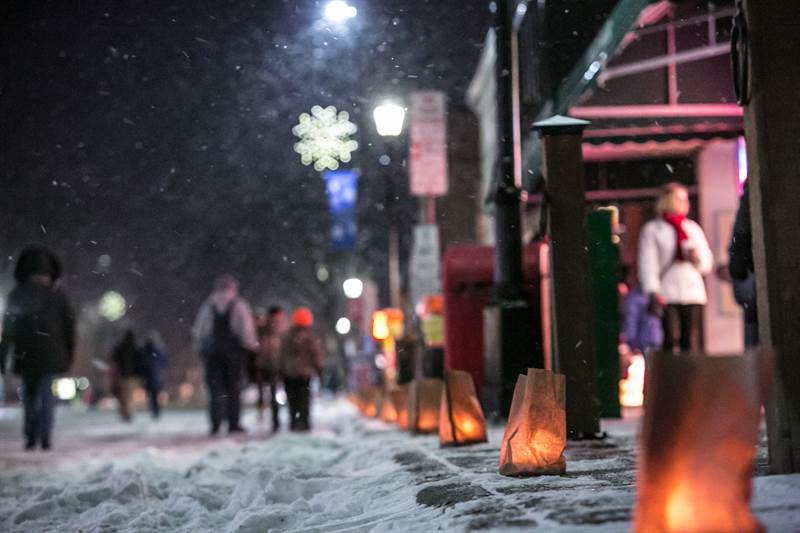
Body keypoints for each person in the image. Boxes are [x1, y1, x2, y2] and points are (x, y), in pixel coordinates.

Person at [0, 246, 75, 451]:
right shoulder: (58, 296)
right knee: (45, 394)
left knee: (30, 395)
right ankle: (45, 435)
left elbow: (8, 330)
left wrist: (3, 356)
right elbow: (69, 327)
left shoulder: (17, 293)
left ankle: (31, 435)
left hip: (25, 354)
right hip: (51, 355)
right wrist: (69, 354)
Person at [638, 182, 713, 353]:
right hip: (667, 291)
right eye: (679, 199)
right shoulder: (653, 230)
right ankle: (671, 376)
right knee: (669, 338)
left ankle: (690, 377)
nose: (685, 204)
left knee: (691, 339)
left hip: (692, 292)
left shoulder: (692, 228)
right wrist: (653, 290)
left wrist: (696, 258)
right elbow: (648, 262)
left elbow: (707, 263)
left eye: (686, 199)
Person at [192, 275, 258, 435]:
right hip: (233, 353)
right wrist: (251, 347)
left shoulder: (208, 305)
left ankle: (215, 423)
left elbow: (199, 330)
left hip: (213, 353)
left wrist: (200, 349)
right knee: (233, 388)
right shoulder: (239, 305)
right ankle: (233, 423)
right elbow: (246, 330)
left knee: (215, 389)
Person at [279, 307, 324, 431]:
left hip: (289, 374)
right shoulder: (310, 337)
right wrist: (319, 369)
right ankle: (304, 422)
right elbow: (316, 354)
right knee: (304, 399)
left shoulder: (286, 336)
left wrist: (281, 369)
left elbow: (281, 355)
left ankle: (294, 421)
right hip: (305, 374)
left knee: (292, 400)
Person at [728, 180, 758, 347]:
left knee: (753, 321)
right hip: (751, 270)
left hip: (749, 269)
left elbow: (741, 230)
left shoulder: (747, 202)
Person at [254, 306, 289, 431]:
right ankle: (278, 419)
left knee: (266, 392)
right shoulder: (285, 325)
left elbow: (256, 341)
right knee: (278, 390)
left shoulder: (264, 326)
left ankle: (270, 418)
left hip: (265, 362)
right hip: (280, 362)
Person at [110, 329, 141, 422]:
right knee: (129, 397)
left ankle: (125, 413)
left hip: (122, 376)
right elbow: (140, 363)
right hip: (132, 376)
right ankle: (128, 413)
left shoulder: (120, 348)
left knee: (123, 397)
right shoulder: (136, 349)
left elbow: (114, 360)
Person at [140, 330, 168, 419]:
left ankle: (154, 410)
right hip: (155, 377)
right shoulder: (157, 353)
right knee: (154, 395)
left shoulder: (146, 353)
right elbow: (164, 362)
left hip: (150, 377)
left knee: (151, 396)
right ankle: (155, 410)